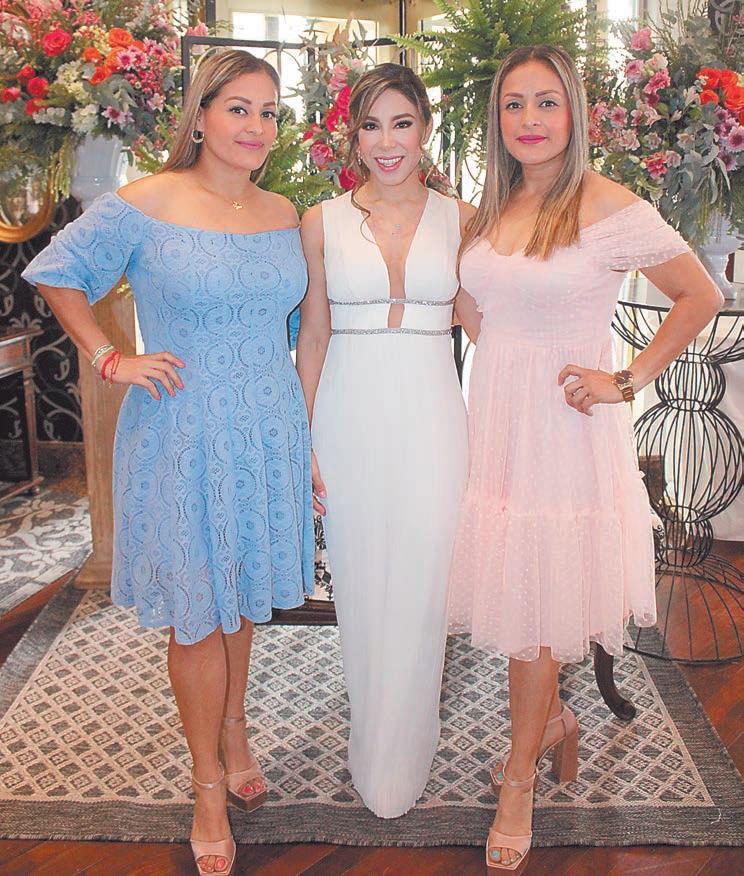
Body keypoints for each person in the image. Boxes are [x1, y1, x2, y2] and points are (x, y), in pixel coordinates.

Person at [23, 50, 314, 876]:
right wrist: (110, 357)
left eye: (269, 112)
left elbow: (299, 326)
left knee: (241, 596)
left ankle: (236, 733)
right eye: (239, 108)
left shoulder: (283, 210)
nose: (256, 126)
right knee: (198, 611)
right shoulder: (145, 203)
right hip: (183, 430)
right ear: (200, 114)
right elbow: (57, 273)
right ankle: (206, 788)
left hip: (265, 426)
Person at [447, 44, 723, 872]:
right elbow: (476, 308)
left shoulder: (608, 205)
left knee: (535, 612)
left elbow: (700, 294)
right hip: (499, 421)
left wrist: (626, 379)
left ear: (574, 113)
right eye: (513, 105)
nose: (529, 120)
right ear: (497, 119)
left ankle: (519, 781)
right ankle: (555, 724)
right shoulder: (491, 206)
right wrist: (494, 345)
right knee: (514, 597)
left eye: (546, 102)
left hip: (566, 429)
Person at [296, 63, 471, 819]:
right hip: (348, 415)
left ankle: (409, 751)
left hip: (435, 417)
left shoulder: (465, 218)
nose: (387, 141)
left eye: (402, 123)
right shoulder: (321, 221)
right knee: (364, 586)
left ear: (425, 129)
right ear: (354, 135)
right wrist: (304, 439)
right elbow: (313, 335)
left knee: (426, 584)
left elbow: (487, 325)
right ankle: (373, 750)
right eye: (371, 125)